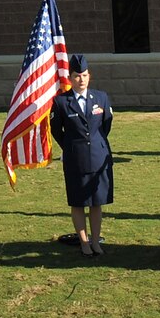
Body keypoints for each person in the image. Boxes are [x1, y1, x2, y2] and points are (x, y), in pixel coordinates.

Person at [49, 58, 114, 257]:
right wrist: (71, 146)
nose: (81, 80)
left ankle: (96, 241)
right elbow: (56, 130)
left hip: (98, 156)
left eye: (84, 75)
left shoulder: (101, 98)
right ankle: (84, 242)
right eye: (77, 76)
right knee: (78, 202)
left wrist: (96, 144)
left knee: (97, 201)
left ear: (89, 76)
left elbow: (105, 126)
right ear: (70, 78)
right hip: (75, 158)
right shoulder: (61, 102)